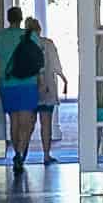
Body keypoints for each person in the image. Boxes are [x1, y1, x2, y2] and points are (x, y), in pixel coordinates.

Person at [0, 5, 43, 172]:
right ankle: (20, 153)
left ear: (8, 18)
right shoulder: (31, 36)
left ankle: (17, 153)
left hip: (8, 84)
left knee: (14, 121)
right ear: (21, 19)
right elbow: (38, 63)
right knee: (26, 123)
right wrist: (41, 84)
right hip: (28, 83)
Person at [25, 17, 70, 166]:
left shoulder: (25, 45)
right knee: (46, 124)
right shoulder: (48, 44)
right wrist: (63, 79)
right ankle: (46, 155)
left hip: (30, 88)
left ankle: (22, 154)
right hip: (48, 89)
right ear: (39, 29)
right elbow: (56, 65)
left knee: (27, 125)